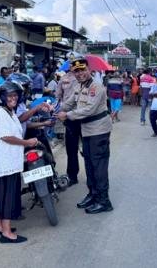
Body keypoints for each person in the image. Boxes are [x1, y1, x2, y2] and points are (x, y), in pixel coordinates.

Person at [57, 57, 114, 214]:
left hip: (99, 131)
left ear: (89, 70)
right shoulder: (80, 87)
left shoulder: (97, 87)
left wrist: (67, 115)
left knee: (98, 166)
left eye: (82, 70)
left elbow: (88, 109)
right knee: (89, 164)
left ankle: (104, 201)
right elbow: (70, 102)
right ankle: (93, 194)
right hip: (87, 130)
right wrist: (56, 109)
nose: (80, 73)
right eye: (76, 71)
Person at [0, 81, 39, 244]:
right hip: (6, 163)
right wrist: (27, 143)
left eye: (15, 95)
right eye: (10, 96)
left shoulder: (8, 112)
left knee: (1, 194)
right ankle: (6, 232)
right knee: (8, 196)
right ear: (2, 98)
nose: (14, 98)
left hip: (5, 162)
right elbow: (6, 137)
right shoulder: (3, 114)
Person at [55, 68, 81, 186]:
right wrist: (56, 109)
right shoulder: (64, 78)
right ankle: (72, 175)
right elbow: (58, 95)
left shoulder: (85, 79)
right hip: (69, 117)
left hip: (83, 117)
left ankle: (92, 179)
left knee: (89, 151)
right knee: (71, 149)